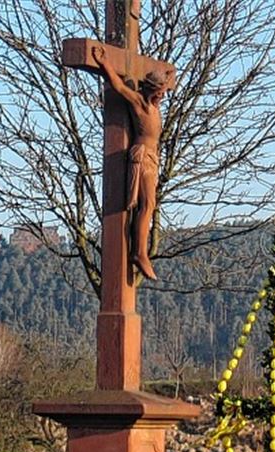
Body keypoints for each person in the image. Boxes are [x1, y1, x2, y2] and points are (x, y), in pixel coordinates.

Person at [92, 46, 169, 280]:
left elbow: (167, 76)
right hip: (142, 156)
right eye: (160, 92)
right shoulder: (140, 104)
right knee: (146, 205)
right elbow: (118, 86)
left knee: (150, 205)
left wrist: (168, 75)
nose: (163, 96)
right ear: (152, 91)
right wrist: (105, 63)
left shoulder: (155, 108)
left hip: (152, 158)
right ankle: (139, 253)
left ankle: (140, 251)